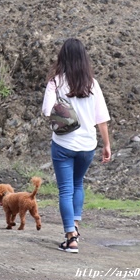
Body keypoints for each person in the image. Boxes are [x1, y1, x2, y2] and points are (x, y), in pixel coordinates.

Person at [42, 38, 112, 253]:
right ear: (84, 58)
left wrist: (61, 107)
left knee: (65, 190)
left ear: (62, 57)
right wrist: (106, 144)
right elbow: (101, 117)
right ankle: (76, 227)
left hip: (64, 143)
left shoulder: (56, 82)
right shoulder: (92, 83)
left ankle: (71, 237)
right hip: (87, 144)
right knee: (78, 184)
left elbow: (46, 110)